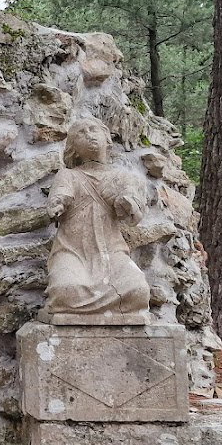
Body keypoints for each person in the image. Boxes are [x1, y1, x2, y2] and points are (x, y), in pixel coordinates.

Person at [45, 119, 151, 319]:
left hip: (112, 252)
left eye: (93, 130)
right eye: (81, 133)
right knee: (65, 290)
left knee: (139, 291)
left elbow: (135, 218)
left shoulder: (124, 177)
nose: (89, 135)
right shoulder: (68, 175)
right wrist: (58, 205)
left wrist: (128, 205)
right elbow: (59, 197)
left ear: (107, 139)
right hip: (72, 251)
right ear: (73, 149)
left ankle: (105, 308)